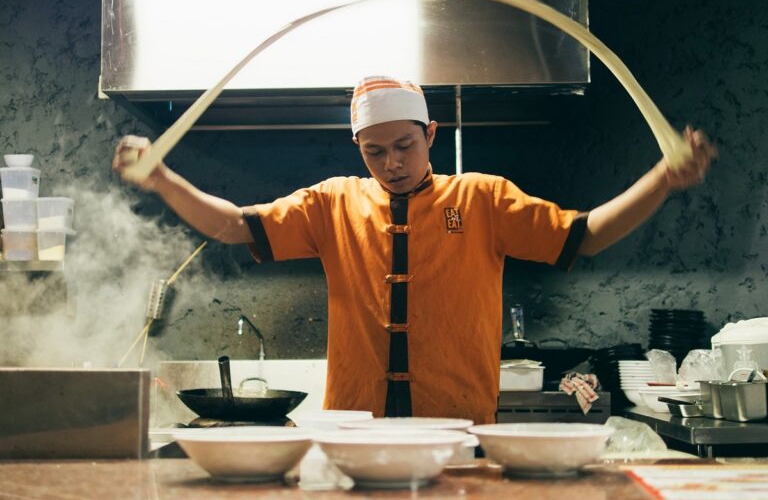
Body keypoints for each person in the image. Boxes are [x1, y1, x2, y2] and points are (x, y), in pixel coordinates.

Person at [113, 76, 717, 424]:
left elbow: (586, 236)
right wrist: (164, 180)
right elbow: (234, 227)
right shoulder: (332, 203)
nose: (392, 163)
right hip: (356, 427)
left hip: (458, 425)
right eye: (374, 151)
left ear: (432, 134)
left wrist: (663, 179)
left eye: (404, 144)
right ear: (357, 147)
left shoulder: (482, 199)